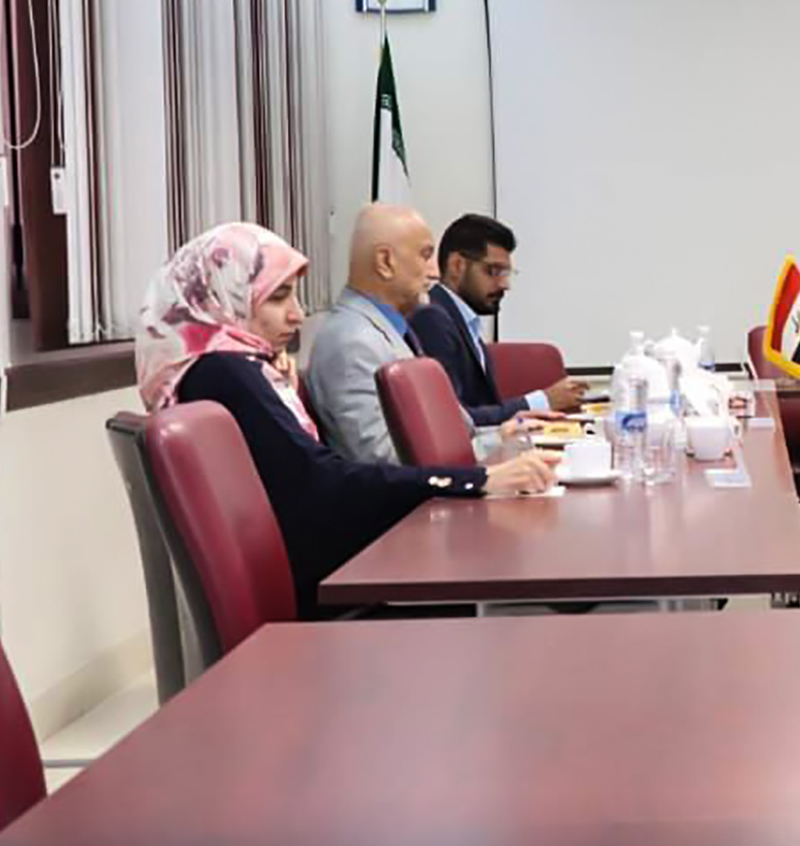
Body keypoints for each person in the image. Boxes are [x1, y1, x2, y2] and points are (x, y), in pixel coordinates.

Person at [135, 223, 558, 617]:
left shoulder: (214, 370)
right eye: (278, 297)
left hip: (321, 573)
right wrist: (475, 481)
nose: (298, 314)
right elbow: (325, 484)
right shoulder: (226, 373)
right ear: (220, 297)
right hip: (327, 593)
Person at [305, 203, 452, 464]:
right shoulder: (351, 343)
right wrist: (486, 467)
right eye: (425, 255)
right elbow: (381, 459)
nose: (435, 272)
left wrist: (504, 438)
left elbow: (456, 431)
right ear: (385, 262)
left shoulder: (388, 330)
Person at [409, 213, 587, 425]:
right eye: (494, 271)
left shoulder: (462, 320)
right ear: (457, 265)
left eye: (506, 273)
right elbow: (454, 418)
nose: (504, 285)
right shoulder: (432, 318)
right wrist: (543, 401)